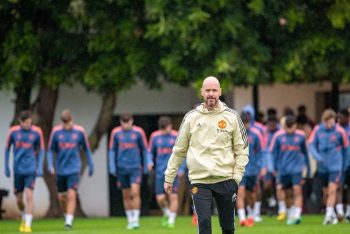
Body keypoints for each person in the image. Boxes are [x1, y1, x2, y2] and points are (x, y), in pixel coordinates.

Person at [164, 76, 249, 234]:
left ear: (220, 92)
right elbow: (179, 150)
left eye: (214, 90)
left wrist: (236, 177)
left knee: (228, 228)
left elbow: (242, 149)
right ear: (202, 92)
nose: (211, 94)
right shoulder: (191, 118)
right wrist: (169, 176)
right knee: (203, 224)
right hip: (199, 180)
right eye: (207, 90)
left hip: (226, 179)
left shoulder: (232, 117)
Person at [47, 109, 94, 230]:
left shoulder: (79, 131)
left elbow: (87, 149)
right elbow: (50, 150)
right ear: (62, 122)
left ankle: (68, 221)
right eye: (65, 123)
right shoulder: (56, 132)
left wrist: (91, 164)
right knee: (62, 197)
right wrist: (50, 165)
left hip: (74, 168)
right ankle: (66, 214)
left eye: (68, 122)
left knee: (72, 194)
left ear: (72, 120)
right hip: (60, 169)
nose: (67, 125)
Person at [108, 113, 151, 230]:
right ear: (121, 122)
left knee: (135, 192)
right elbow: (112, 150)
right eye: (124, 122)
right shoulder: (116, 133)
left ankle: (136, 219)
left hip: (135, 167)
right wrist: (112, 166)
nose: (126, 124)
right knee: (126, 194)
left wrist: (147, 164)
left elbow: (145, 149)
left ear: (132, 121)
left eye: (128, 122)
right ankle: (130, 219)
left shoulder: (138, 132)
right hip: (121, 168)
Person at [4, 110, 45, 233]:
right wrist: (6, 166)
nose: (28, 124)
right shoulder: (13, 132)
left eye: (29, 122)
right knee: (19, 199)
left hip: (30, 168)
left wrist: (39, 167)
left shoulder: (37, 132)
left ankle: (28, 224)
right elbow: (6, 149)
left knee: (29, 194)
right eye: (26, 122)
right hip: (18, 170)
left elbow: (42, 149)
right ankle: (23, 215)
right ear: (20, 122)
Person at [309, 109, 348, 225]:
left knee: (333, 190)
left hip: (336, 165)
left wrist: (344, 164)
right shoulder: (317, 130)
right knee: (326, 193)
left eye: (331, 121)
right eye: (327, 121)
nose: (329, 124)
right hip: (322, 167)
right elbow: (311, 144)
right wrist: (317, 156)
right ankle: (334, 215)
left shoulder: (340, 131)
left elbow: (346, 149)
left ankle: (327, 217)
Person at [270, 115, 311, 225]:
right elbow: (273, 154)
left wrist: (308, 169)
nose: (289, 129)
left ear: (295, 125)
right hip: (283, 170)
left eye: (291, 127)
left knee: (297, 190)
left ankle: (297, 216)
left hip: (297, 170)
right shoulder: (278, 137)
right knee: (286, 194)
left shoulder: (301, 136)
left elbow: (306, 153)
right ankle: (289, 213)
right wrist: (273, 168)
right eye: (287, 127)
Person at [149, 116, 184, 228]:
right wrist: (149, 162)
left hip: (173, 172)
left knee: (173, 196)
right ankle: (166, 212)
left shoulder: (176, 136)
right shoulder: (155, 136)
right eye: (163, 129)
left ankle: (171, 221)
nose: (165, 130)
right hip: (160, 172)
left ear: (170, 126)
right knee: (160, 198)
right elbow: (150, 152)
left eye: (167, 128)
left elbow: (182, 153)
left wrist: (182, 168)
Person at [237, 113, 265, 227]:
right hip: (239, 169)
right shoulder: (234, 134)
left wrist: (262, 166)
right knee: (240, 192)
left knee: (251, 195)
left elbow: (261, 151)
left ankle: (252, 214)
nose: (245, 125)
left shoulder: (256, 134)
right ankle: (242, 218)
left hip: (252, 169)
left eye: (247, 123)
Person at [336, 109, 350, 221]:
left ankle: (349, 212)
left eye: (340, 117)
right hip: (338, 163)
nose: (338, 120)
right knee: (338, 187)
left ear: (347, 117)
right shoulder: (336, 130)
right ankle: (340, 211)